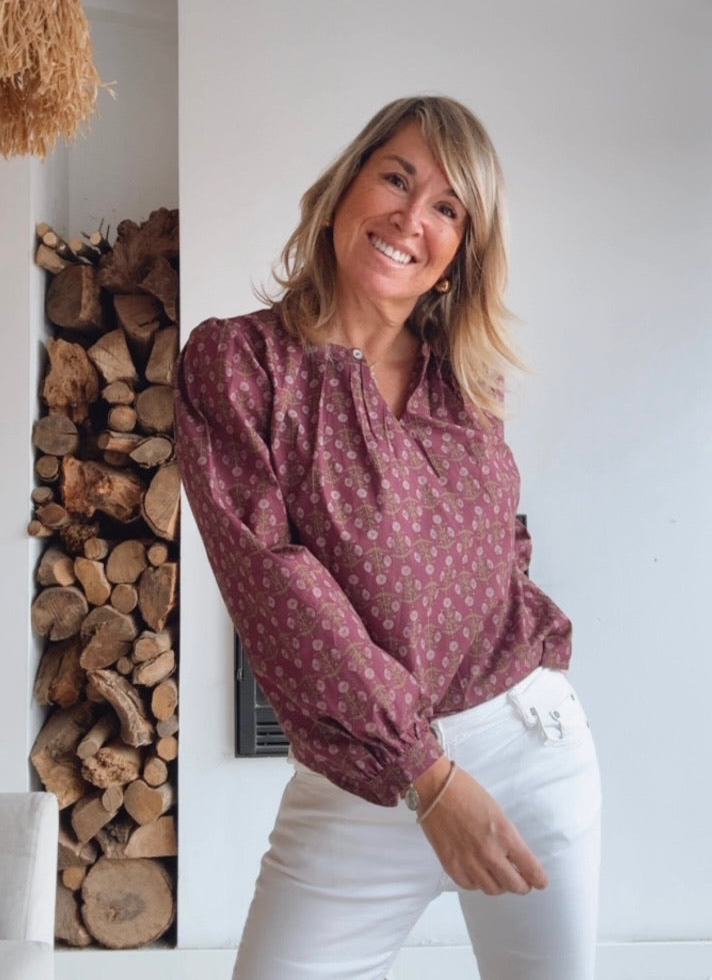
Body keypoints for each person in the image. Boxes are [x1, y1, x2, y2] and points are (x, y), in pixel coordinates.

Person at [174, 96, 601, 980]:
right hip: (362, 785)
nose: (412, 218)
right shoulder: (240, 364)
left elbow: (503, 546)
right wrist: (430, 779)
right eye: (396, 179)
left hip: (527, 749)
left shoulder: (467, 383)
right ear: (344, 191)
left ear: (459, 252)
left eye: (447, 207)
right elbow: (276, 588)